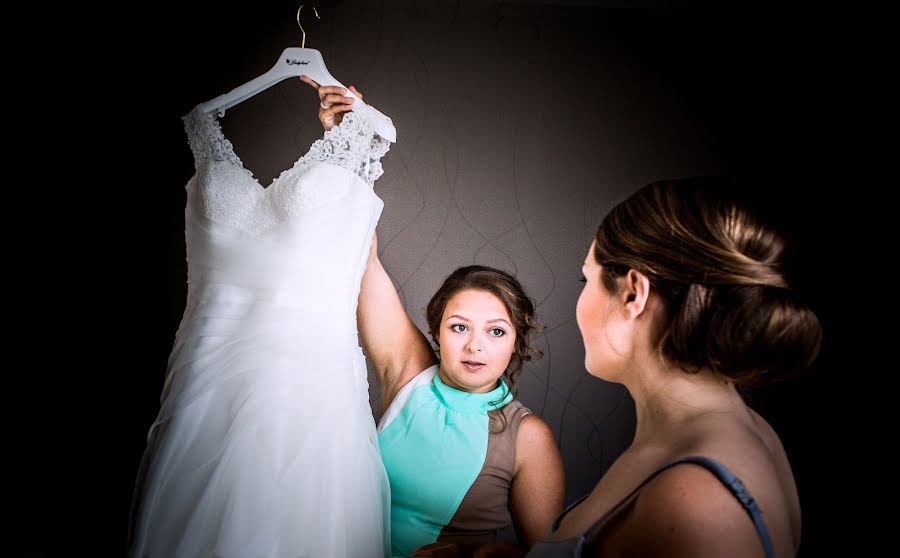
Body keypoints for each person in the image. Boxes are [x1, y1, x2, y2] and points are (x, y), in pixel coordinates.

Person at [129, 80, 398, 556]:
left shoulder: (366, 131)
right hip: (201, 391)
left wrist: (353, 124)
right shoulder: (196, 126)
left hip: (310, 394)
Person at [302, 77, 566, 558]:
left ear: (516, 342)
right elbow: (361, 255)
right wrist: (351, 139)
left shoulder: (529, 438)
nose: (474, 346)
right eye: (459, 327)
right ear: (437, 332)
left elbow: (547, 557)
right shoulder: (409, 374)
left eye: (496, 331)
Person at [525, 178, 821, 557]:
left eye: (588, 278)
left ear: (634, 293)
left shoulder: (695, 502)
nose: (580, 299)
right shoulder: (745, 431)